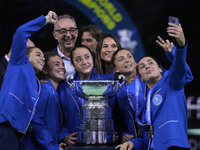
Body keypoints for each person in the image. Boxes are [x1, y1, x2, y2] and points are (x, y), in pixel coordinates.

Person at [116, 22, 193, 150]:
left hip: (174, 145)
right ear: (139, 76)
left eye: (151, 63)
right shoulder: (145, 104)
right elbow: (149, 136)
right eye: (142, 66)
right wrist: (134, 143)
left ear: (161, 70)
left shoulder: (171, 82)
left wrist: (179, 46)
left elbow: (180, 70)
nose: (147, 66)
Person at [0, 11, 57, 150]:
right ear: (25, 55)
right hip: (4, 129)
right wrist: (46, 19)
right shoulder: (18, 62)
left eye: (43, 56)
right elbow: (21, 32)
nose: (42, 58)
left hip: (17, 135)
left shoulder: (36, 83)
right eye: (38, 54)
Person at [57, 45, 109, 145]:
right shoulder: (63, 88)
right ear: (73, 63)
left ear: (92, 58)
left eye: (87, 57)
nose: (84, 62)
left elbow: (115, 113)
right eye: (78, 59)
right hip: (75, 143)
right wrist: (64, 136)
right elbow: (58, 118)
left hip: (102, 142)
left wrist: (112, 132)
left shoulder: (106, 82)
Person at [22, 52, 66, 150]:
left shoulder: (52, 91)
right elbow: (35, 120)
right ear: (45, 70)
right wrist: (50, 146)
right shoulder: (44, 89)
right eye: (57, 64)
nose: (62, 67)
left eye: (63, 64)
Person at [111, 48, 149, 150]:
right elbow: (120, 121)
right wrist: (123, 134)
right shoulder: (117, 91)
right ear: (116, 69)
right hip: (135, 142)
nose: (127, 60)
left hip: (154, 138)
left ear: (135, 63)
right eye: (121, 59)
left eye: (129, 56)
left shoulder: (148, 78)